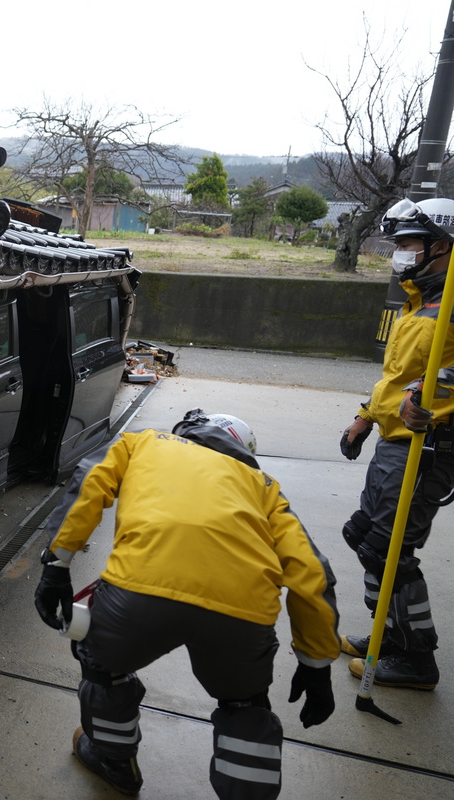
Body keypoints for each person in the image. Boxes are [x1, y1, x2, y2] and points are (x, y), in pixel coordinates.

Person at [35, 410, 339, 798]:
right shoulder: (263, 486)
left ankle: (114, 761)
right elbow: (312, 572)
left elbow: (88, 483)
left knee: (100, 662)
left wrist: (57, 564)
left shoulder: (142, 441)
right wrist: (316, 664)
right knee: (245, 705)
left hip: (139, 592)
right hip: (242, 614)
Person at [338, 196, 454, 690]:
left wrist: (441, 393)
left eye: (409, 244)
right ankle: (388, 632)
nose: (401, 254)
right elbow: (399, 377)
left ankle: (415, 658)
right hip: (393, 442)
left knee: (388, 551)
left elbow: (438, 378)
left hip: (428, 447)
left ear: (444, 246)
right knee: (365, 537)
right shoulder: (422, 300)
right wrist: (365, 418)